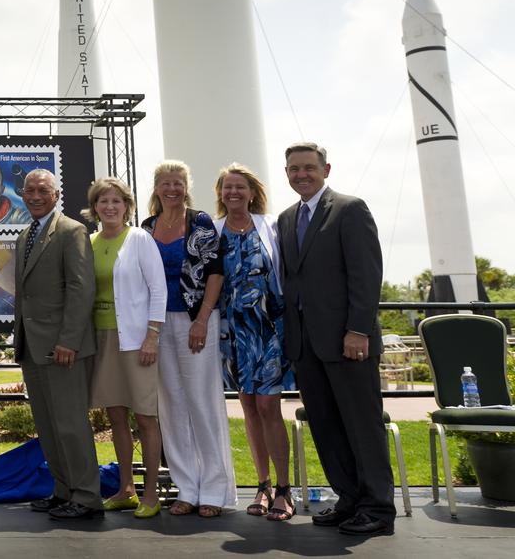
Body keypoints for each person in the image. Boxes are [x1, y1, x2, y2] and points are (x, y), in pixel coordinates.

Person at [278, 142, 394, 536]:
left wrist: (358, 330)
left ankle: (377, 508)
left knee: (362, 426)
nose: (301, 175)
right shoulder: (286, 218)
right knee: (326, 427)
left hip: (349, 343)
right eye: (294, 169)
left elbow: (366, 275)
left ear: (326, 169)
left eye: (309, 167)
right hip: (306, 346)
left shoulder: (350, 209)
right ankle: (348, 500)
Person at [140, 161, 235, 518]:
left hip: (197, 321)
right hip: (157, 324)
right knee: (171, 406)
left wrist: (202, 318)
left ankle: (214, 488)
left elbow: (215, 272)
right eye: (166, 183)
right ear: (157, 187)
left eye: (178, 183)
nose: (172, 189)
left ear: (186, 186)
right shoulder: (147, 228)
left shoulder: (201, 223)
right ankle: (187, 488)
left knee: (201, 401)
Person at [12, 169, 102, 522]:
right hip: (33, 348)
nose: (35, 196)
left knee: (70, 424)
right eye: (29, 190)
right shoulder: (25, 235)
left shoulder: (71, 231)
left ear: (57, 194)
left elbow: (82, 290)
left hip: (64, 348)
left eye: (42, 190)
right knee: (49, 426)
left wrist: (69, 341)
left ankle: (86, 496)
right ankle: (64, 490)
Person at [213, 163, 295, 522]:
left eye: (240, 187)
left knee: (268, 407)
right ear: (220, 193)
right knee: (248, 407)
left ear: (252, 192)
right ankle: (261, 486)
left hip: (270, 329)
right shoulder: (213, 230)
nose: (233, 193)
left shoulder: (271, 226)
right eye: (227, 187)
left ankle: (284, 488)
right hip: (233, 333)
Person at [84, 177, 166, 519]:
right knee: (115, 415)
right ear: (94, 207)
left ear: (127, 205)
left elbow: (158, 290)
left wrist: (151, 336)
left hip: (136, 340)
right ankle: (126, 489)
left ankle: (150, 495)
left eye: (116, 201)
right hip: (101, 340)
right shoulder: (88, 242)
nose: (110, 207)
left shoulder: (140, 240)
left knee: (146, 416)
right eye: (103, 201)